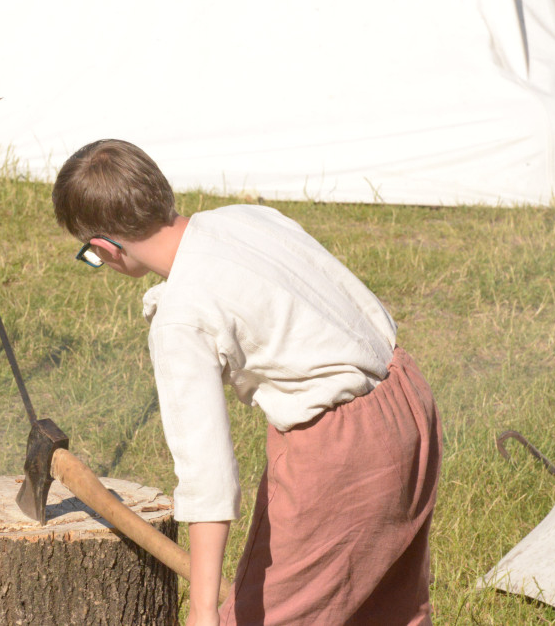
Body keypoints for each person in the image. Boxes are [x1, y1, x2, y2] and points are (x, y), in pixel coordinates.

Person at [52, 139, 442, 625]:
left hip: (341, 451)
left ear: (105, 248)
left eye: (90, 255)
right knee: (387, 612)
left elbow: (208, 475)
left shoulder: (181, 317)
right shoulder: (244, 218)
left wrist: (202, 611)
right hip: (406, 399)